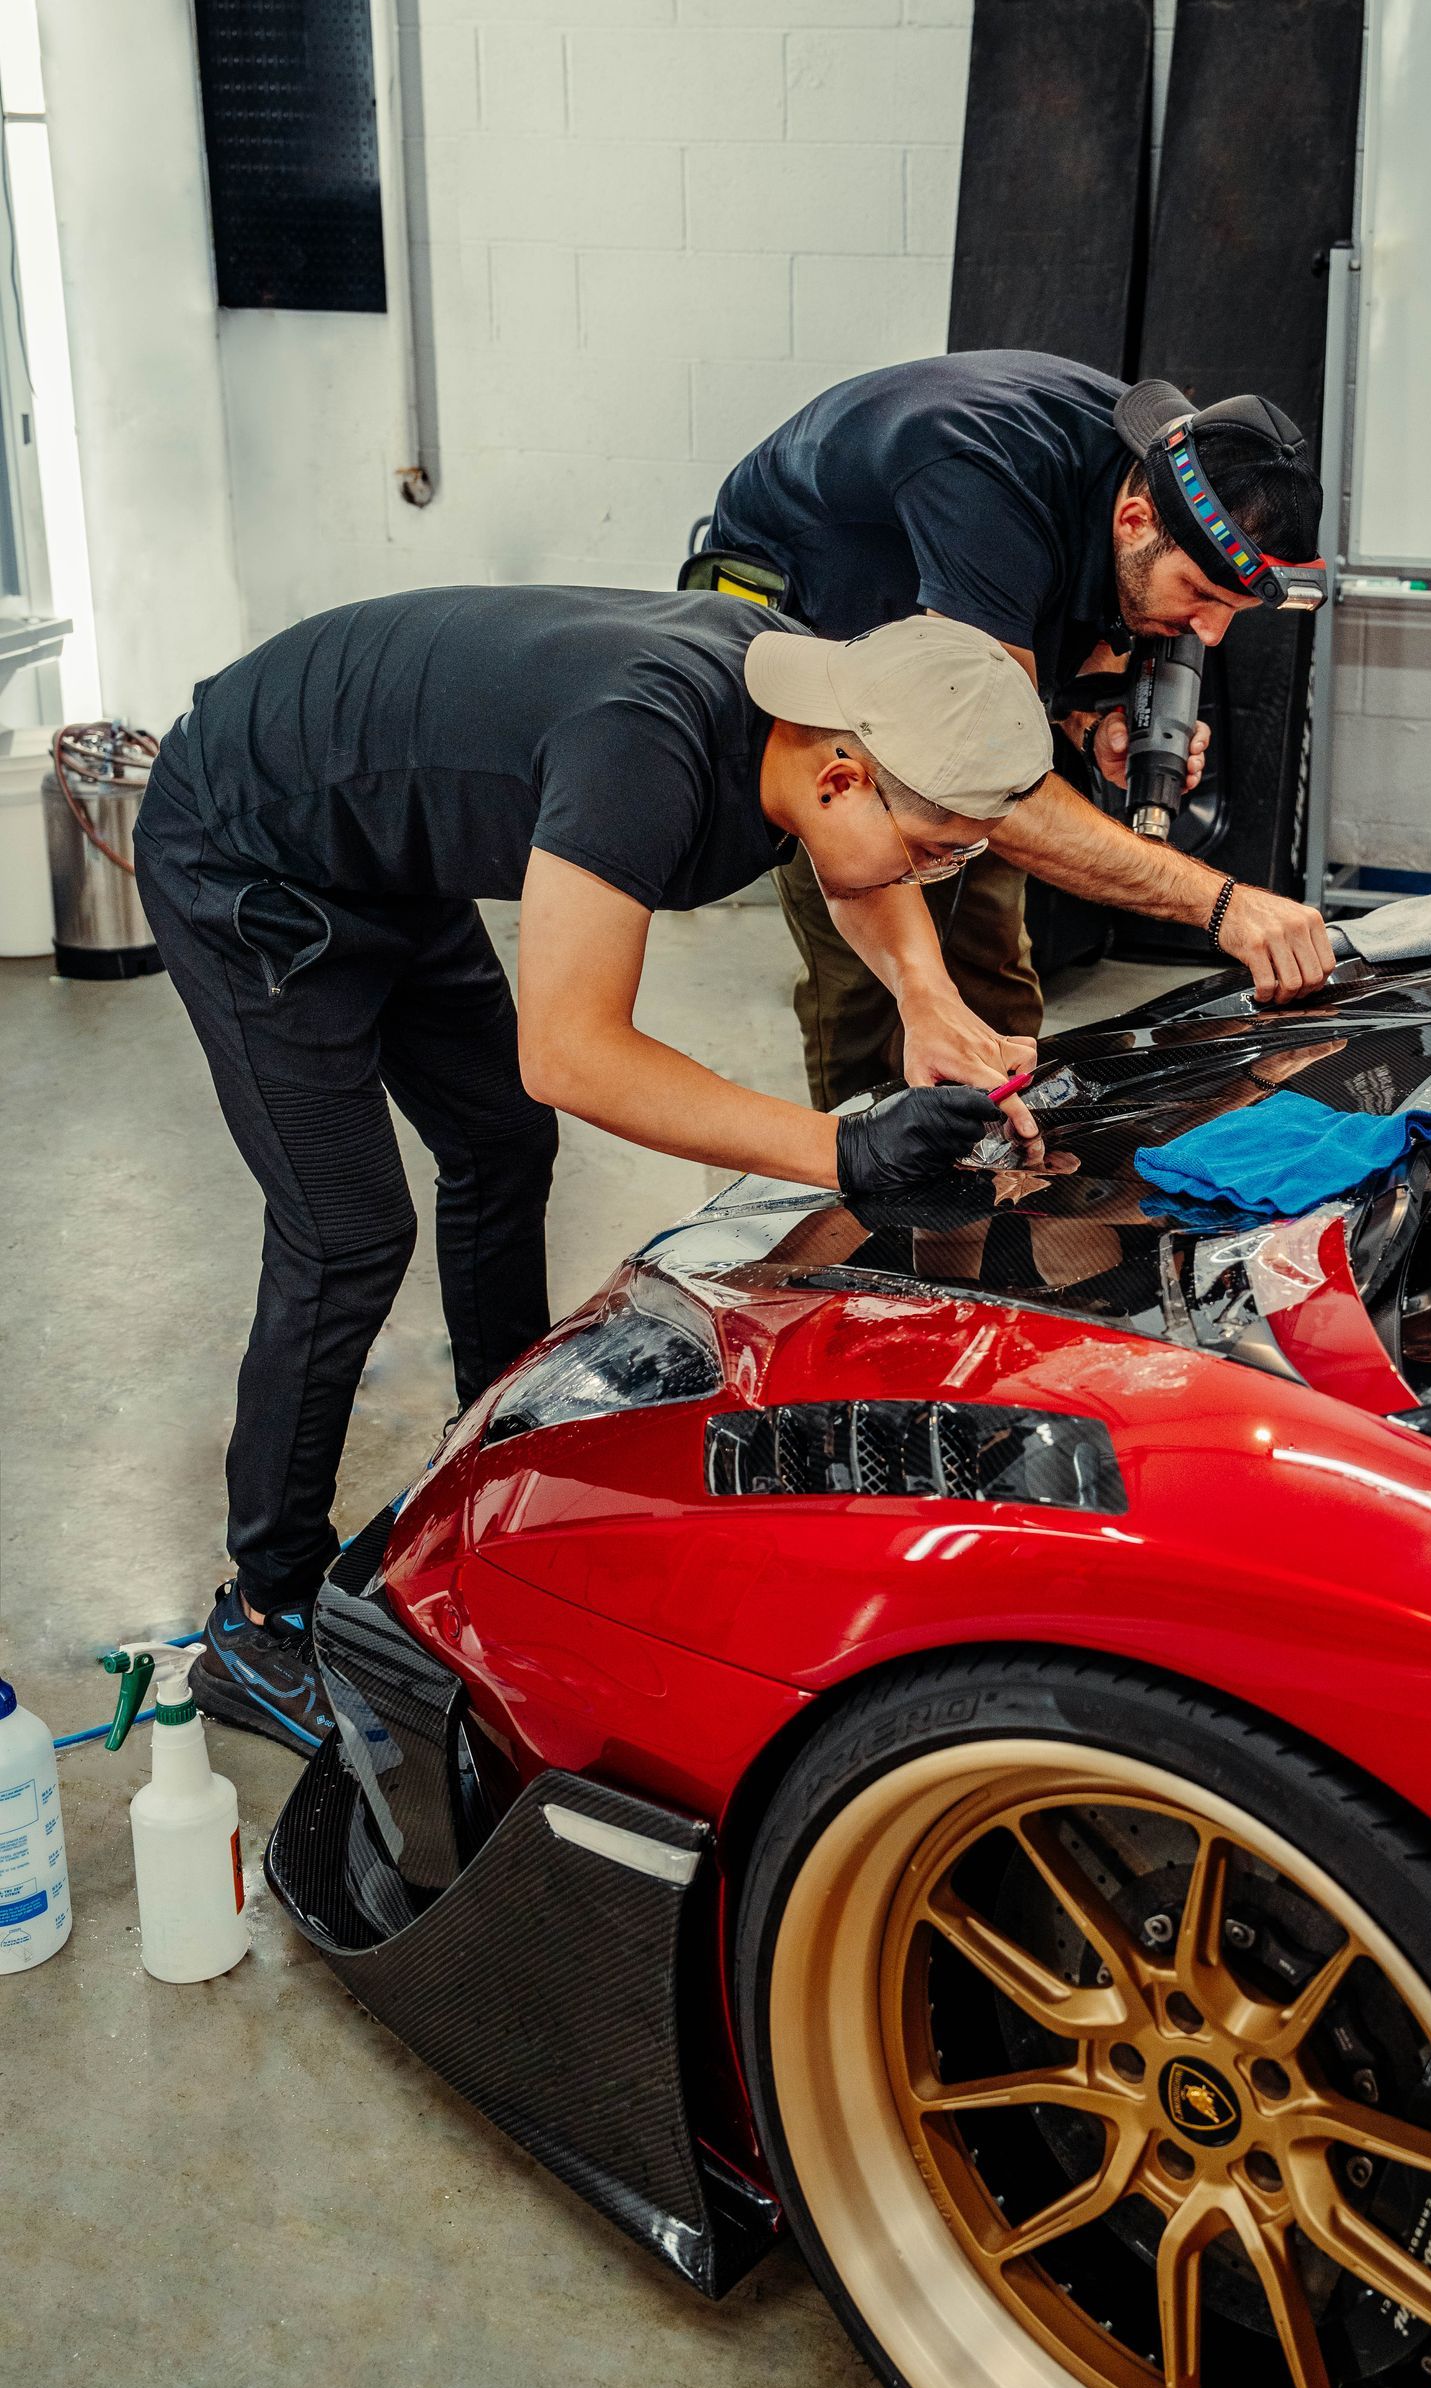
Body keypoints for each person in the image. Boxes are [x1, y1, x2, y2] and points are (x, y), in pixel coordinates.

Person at [133, 591, 1054, 1753]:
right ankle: (261, 1616)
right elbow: (572, 1052)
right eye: (938, 850)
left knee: (501, 1143)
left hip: (373, 848)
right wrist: (842, 1152)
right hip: (244, 850)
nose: (937, 872)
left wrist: (927, 1000)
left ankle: (489, 1468)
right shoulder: (648, 750)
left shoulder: (801, 704)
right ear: (840, 778)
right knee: (348, 1233)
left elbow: (865, 867)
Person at [705, 350, 1339, 1107]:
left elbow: (1077, 600)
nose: (1208, 631)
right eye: (1200, 596)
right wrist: (1220, 901)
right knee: (877, 996)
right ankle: (873, 1187)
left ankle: (1013, 1161)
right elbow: (982, 778)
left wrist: (1093, 714)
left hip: (945, 627)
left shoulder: (1165, 469)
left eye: (1231, 612)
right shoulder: (982, 475)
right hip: (823, 626)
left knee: (991, 964)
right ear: (1137, 519)